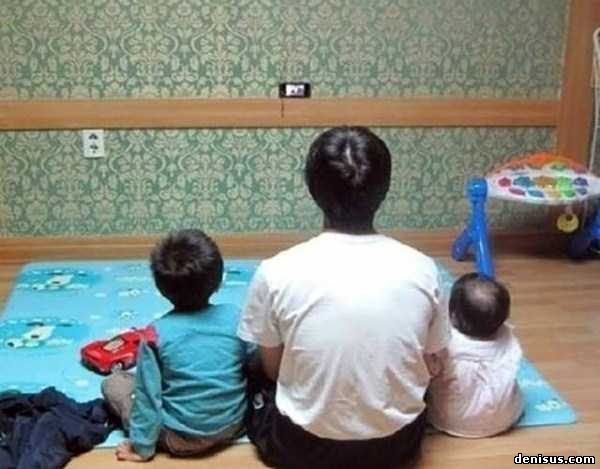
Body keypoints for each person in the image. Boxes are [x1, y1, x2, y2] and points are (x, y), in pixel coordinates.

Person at [238, 126, 450, 468]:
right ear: (384, 188)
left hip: (302, 447)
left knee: (249, 366)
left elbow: (274, 371)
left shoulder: (275, 271)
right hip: (397, 447)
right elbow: (430, 358)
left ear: (312, 188)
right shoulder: (424, 269)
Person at [101, 229, 248, 462]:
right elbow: (253, 363)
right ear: (219, 280)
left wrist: (141, 448)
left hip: (179, 438)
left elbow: (148, 397)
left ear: (161, 288)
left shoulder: (156, 334)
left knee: (114, 383)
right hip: (233, 426)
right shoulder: (236, 317)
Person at [427, 272, 523, 438]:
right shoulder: (507, 337)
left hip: (452, 420)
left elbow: (428, 371)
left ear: (452, 315)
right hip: (506, 417)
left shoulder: (445, 342)